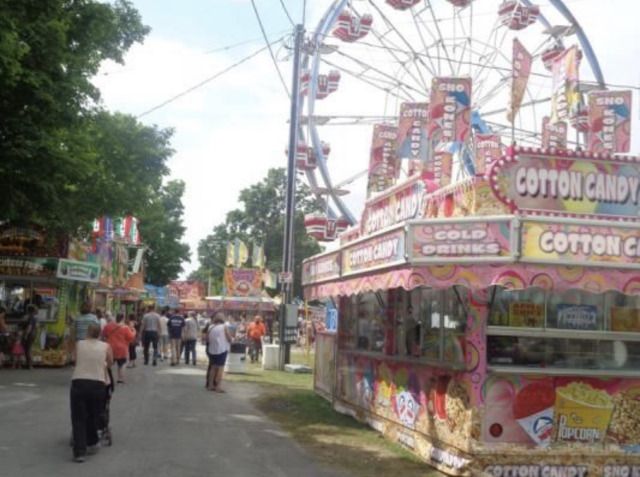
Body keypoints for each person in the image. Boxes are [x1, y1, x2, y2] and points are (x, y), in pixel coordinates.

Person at [70, 323, 113, 463]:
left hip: (79, 382)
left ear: (88, 332)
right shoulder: (106, 346)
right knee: (93, 415)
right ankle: (92, 442)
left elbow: (74, 360)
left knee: (78, 418)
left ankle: (79, 452)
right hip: (98, 384)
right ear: (99, 333)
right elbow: (110, 363)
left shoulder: (79, 344)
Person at [102, 314, 135, 383]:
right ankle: (120, 378)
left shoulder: (108, 326)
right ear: (123, 319)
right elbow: (131, 337)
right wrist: (134, 331)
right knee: (122, 364)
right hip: (122, 349)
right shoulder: (125, 327)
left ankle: (106, 377)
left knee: (108, 363)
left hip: (110, 348)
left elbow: (103, 334)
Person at [206, 314, 231, 392]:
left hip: (212, 350)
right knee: (220, 368)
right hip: (221, 350)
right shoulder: (224, 327)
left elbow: (207, 339)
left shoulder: (211, 327)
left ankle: (210, 385)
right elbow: (229, 338)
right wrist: (231, 340)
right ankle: (218, 386)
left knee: (213, 368)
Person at [21, 304, 38, 369]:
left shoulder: (30, 317)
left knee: (27, 349)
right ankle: (29, 364)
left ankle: (30, 365)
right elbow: (35, 327)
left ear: (29, 310)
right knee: (28, 349)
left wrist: (26, 335)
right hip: (33, 333)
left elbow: (29, 327)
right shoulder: (34, 317)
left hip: (29, 334)